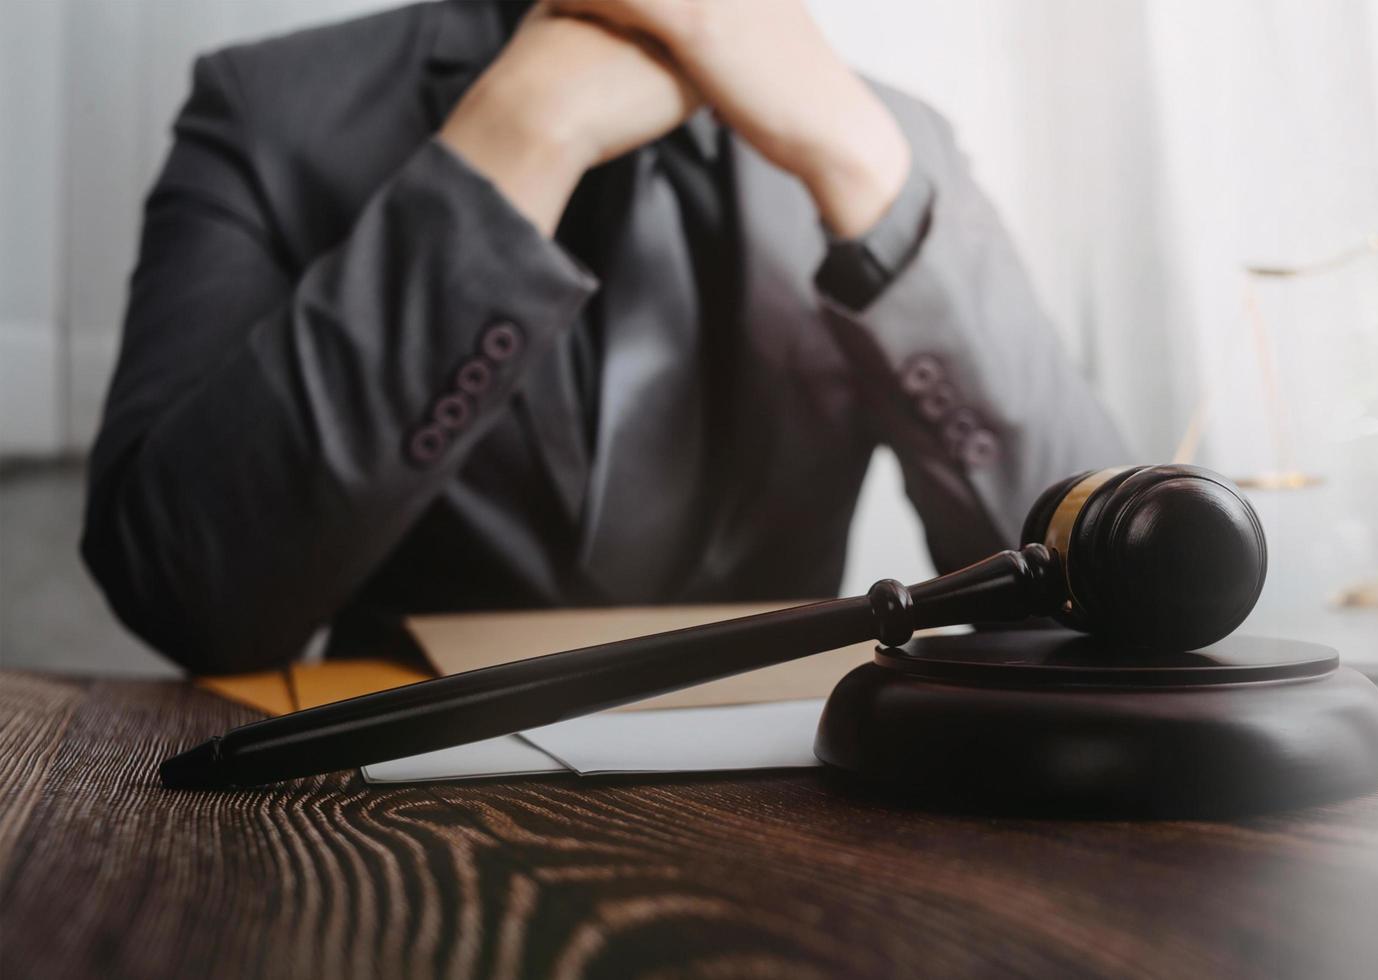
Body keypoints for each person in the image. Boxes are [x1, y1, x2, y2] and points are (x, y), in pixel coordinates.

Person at [81, 0, 1125, 674]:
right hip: (381, 815)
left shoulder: (889, 138)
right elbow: (185, 594)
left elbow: (1108, 583)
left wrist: (860, 170)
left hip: (810, 798)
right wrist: (515, 142)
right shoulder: (267, 112)